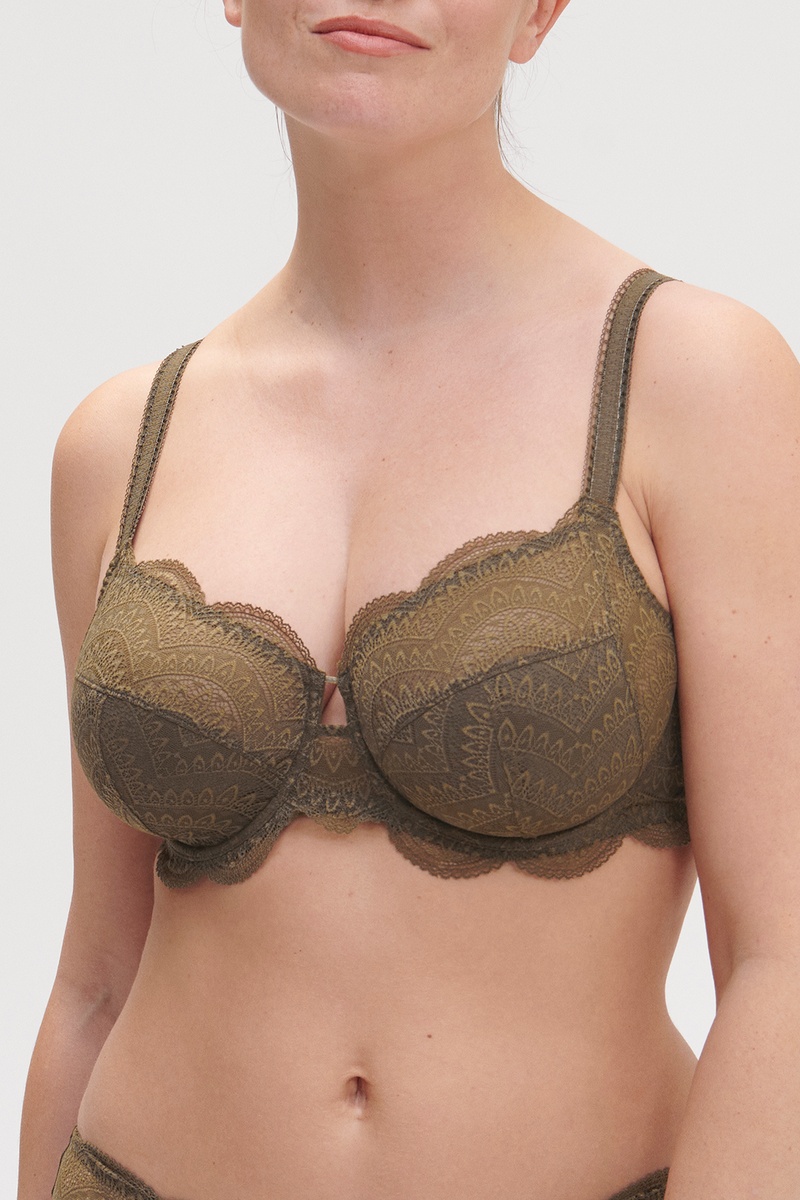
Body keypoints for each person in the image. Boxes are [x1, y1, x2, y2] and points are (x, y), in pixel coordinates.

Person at [18, 1, 800, 1198]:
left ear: (538, 12)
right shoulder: (119, 444)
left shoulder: (693, 380)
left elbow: (777, 961)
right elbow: (94, 980)